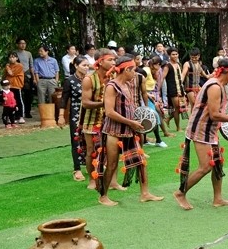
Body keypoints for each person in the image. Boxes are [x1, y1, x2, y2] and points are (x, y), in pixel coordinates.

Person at [173, 58, 228, 210]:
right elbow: (214, 115)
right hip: (201, 129)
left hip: (210, 130)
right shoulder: (214, 86)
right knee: (205, 166)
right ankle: (180, 193)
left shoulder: (218, 84)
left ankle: (218, 198)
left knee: (217, 163)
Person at [95, 55, 164, 206]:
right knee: (112, 164)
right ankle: (103, 196)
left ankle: (145, 193)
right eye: (133, 70)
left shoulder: (127, 84)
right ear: (126, 70)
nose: (135, 73)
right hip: (113, 131)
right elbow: (109, 112)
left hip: (129, 131)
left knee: (141, 162)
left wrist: (138, 119)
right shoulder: (112, 86)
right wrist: (131, 122)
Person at [81, 48, 118, 190]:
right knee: (91, 151)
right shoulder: (89, 79)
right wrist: (104, 103)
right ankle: (92, 179)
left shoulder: (114, 77)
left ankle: (113, 181)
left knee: (112, 151)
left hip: (109, 120)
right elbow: (85, 103)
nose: (113, 62)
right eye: (110, 60)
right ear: (100, 62)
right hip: (91, 120)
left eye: (114, 60)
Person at [58, 55, 90, 181]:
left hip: (89, 114)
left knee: (90, 141)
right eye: (84, 65)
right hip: (76, 114)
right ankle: (77, 169)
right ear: (76, 66)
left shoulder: (90, 79)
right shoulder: (70, 80)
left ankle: (89, 164)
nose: (86, 68)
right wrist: (61, 116)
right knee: (76, 140)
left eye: (88, 65)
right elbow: (64, 100)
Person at [161, 47, 185, 132]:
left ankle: (168, 119)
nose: (175, 56)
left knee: (181, 108)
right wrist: (159, 89)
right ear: (169, 55)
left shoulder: (178, 64)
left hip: (180, 88)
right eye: (173, 54)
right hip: (172, 90)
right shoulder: (167, 66)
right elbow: (162, 77)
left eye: (176, 54)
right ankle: (178, 127)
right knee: (177, 108)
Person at [3, 51, 25, 123]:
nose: (11, 59)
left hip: (16, 85)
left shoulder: (19, 65)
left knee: (18, 101)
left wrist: (7, 67)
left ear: (16, 58)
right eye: (10, 57)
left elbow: (11, 73)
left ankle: (21, 116)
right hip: (9, 86)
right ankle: (12, 117)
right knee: (10, 101)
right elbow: (5, 75)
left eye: (13, 57)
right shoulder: (8, 66)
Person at [15, 38, 34, 118]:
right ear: (17, 44)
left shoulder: (28, 53)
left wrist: (34, 77)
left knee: (28, 95)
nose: (23, 45)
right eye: (21, 43)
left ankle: (27, 112)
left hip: (27, 76)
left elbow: (31, 66)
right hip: (17, 76)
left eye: (24, 43)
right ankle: (17, 113)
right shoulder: (14, 53)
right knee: (17, 95)